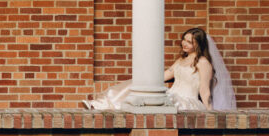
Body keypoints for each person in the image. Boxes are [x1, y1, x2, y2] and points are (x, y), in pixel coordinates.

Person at [84, 27, 236, 111]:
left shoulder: (203, 63)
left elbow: (204, 90)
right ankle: (102, 105)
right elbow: (162, 77)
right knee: (139, 86)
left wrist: (210, 111)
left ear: (198, 44)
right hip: (173, 95)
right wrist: (144, 80)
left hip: (187, 101)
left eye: (189, 42)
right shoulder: (181, 60)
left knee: (162, 98)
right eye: (184, 39)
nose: (184, 43)